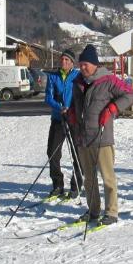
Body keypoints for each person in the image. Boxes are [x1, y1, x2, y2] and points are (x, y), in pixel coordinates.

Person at [66, 44, 133, 226]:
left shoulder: (109, 80)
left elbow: (129, 94)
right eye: (80, 65)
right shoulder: (78, 82)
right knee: (89, 179)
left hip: (102, 137)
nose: (82, 68)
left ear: (95, 64)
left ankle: (111, 212)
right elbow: (74, 103)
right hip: (83, 137)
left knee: (107, 177)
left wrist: (113, 108)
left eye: (85, 64)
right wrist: (72, 112)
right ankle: (93, 210)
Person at [43, 48, 82, 199]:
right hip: (58, 118)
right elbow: (48, 97)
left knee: (77, 154)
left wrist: (72, 109)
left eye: (67, 60)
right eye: (62, 59)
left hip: (73, 119)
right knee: (52, 152)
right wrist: (60, 108)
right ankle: (57, 184)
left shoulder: (78, 76)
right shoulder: (53, 76)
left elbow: (81, 96)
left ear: (72, 62)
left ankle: (76, 184)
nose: (64, 62)